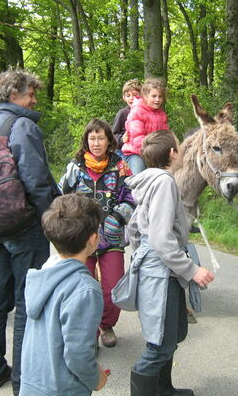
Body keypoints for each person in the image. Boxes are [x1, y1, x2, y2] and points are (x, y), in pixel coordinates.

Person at [0, 69, 60, 394]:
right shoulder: (23, 126)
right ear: (12, 94)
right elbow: (36, 181)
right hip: (24, 225)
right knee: (26, 304)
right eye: (30, 93)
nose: (34, 99)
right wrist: (51, 222)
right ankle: (23, 381)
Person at [126, 130, 214, 396]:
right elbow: (162, 239)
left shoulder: (151, 181)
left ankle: (164, 390)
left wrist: (143, 257)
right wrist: (192, 270)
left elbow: (134, 227)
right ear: (173, 153)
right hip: (162, 274)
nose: (182, 149)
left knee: (169, 336)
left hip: (161, 270)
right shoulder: (164, 182)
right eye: (179, 145)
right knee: (160, 344)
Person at [20, 193, 109, 396]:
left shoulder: (45, 271)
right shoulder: (84, 289)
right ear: (93, 239)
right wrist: (95, 378)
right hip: (63, 388)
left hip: (33, 381)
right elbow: (78, 353)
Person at [59, 119, 134, 349]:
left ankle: (106, 325)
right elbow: (61, 196)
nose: (96, 143)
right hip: (82, 238)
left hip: (111, 236)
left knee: (113, 288)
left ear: (109, 140)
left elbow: (132, 195)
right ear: (86, 141)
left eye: (101, 138)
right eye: (92, 138)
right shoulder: (76, 166)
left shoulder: (120, 165)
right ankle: (88, 333)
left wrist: (118, 217)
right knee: (84, 288)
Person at [121, 78, 169, 175]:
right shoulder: (137, 110)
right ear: (145, 96)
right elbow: (137, 138)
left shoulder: (162, 114)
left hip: (154, 152)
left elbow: (165, 136)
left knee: (167, 172)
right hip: (135, 152)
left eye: (160, 96)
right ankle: (135, 184)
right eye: (154, 96)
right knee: (140, 174)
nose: (157, 100)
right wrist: (154, 152)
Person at [112, 78, 142, 153]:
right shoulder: (123, 113)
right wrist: (122, 139)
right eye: (128, 96)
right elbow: (113, 135)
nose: (132, 98)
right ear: (124, 98)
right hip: (124, 151)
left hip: (142, 149)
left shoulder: (145, 113)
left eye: (135, 95)